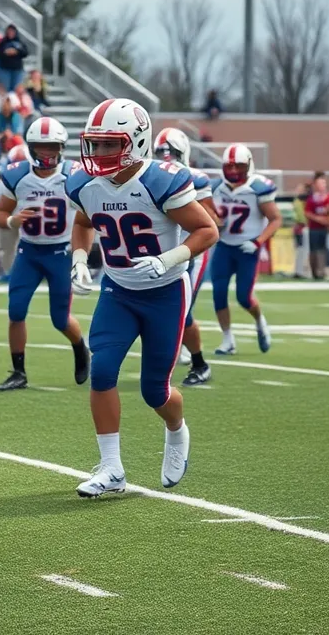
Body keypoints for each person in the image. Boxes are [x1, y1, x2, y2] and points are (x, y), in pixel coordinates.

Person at [67, 98, 219, 497]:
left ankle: (176, 430)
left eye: (108, 145)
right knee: (102, 373)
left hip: (165, 291)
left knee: (155, 389)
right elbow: (83, 222)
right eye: (94, 144)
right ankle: (112, 468)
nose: (98, 153)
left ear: (136, 142)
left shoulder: (161, 180)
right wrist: (80, 259)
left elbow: (207, 231)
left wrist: (168, 258)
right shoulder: (84, 183)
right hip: (118, 290)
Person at [0, 117, 91, 390]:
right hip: (29, 252)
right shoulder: (17, 174)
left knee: (60, 319)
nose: (45, 152)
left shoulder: (74, 175)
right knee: (16, 310)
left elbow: (88, 217)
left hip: (60, 252)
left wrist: (83, 252)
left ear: (61, 148)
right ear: (30, 147)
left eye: (51, 147)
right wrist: (13, 221)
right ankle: (18, 371)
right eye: (39, 146)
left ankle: (80, 347)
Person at [152, 128, 218, 387]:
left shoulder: (196, 179)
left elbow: (211, 220)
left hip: (191, 253)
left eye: (172, 152)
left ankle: (200, 364)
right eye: (161, 153)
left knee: (183, 310)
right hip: (162, 253)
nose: (166, 158)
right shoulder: (150, 177)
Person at [210, 143, 281, 355]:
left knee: (244, 297)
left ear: (248, 165)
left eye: (238, 166)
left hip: (247, 249)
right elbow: (207, 213)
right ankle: (227, 339)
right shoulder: (214, 187)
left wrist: (258, 242)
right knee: (219, 294)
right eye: (229, 166)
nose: (232, 171)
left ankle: (260, 321)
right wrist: (214, 222)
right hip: (224, 246)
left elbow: (276, 219)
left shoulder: (258, 187)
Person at [304, 172, 329, 280]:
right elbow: (307, 213)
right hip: (314, 228)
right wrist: (318, 219)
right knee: (314, 250)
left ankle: (322, 271)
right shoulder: (312, 199)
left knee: (323, 250)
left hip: (324, 229)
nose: (322, 186)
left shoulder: (327, 198)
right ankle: (315, 272)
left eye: (323, 183)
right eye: (320, 183)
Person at [0, 25, 28, 89]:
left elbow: (25, 53)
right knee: (6, 89)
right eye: (9, 31)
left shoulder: (20, 42)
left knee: (16, 89)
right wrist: (5, 52)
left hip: (17, 69)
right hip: (4, 69)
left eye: (12, 31)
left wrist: (17, 51)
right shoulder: (2, 42)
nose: (11, 33)